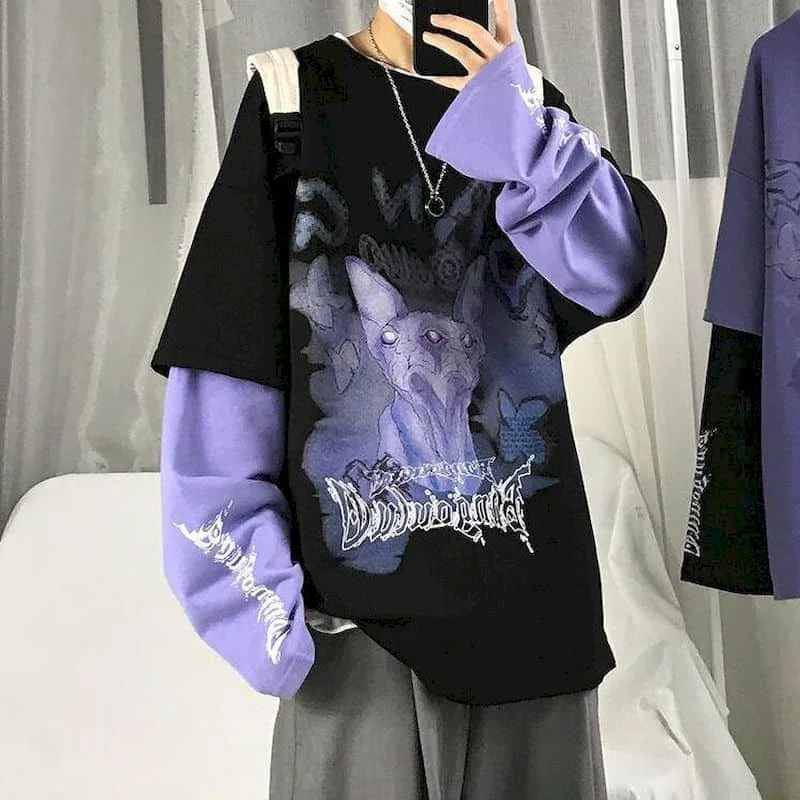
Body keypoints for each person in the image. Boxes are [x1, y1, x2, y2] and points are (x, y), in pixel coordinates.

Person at [151, 0, 667, 796]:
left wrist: (516, 121)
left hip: (536, 628)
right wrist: (261, 613)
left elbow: (616, 269)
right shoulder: (291, 98)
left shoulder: (533, 110)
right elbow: (227, 360)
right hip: (359, 641)